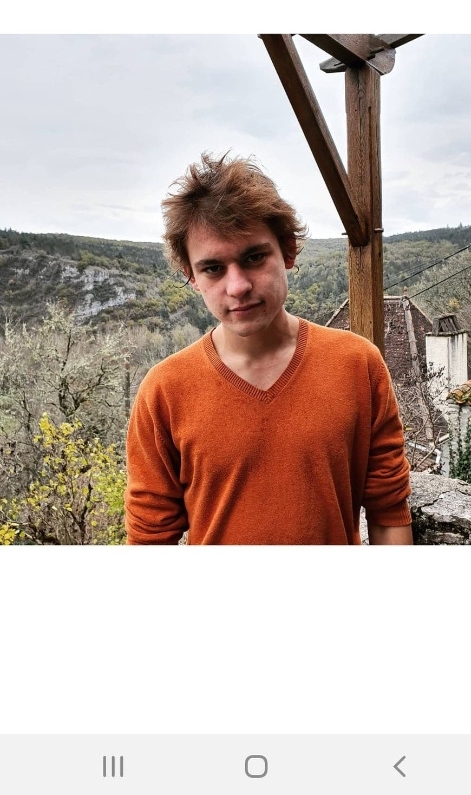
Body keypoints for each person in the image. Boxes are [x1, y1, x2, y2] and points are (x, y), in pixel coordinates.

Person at [125, 152, 413, 545]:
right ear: (192, 276)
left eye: (254, 257)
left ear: (288, 251)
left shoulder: (357, 364)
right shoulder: (165, 391)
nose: (238, 286)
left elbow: (389, 510)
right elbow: (149, 539)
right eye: (213, 268)